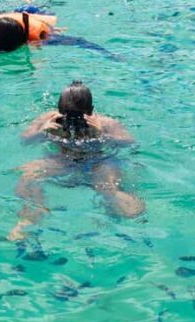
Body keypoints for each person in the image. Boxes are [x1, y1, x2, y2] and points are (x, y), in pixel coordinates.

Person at [8, 81, 145, 241]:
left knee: (111, 190)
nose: (73, 120)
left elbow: (130, 143)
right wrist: (42, 131)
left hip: (98, 162)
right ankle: (31, 216)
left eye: (80, 116)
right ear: (59, 111)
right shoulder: (49, 119)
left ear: (92, 111)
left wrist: (102, 134)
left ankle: (127, 215)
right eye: (67, 115)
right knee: (28, 175)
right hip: (62, 161)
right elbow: (25, 140)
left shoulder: (106, 123)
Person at [0, 6, 114, 77]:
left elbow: (78, 41)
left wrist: (107, 54)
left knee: (33, 8)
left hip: (33, 16)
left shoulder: (38, 38)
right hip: (2, 17)